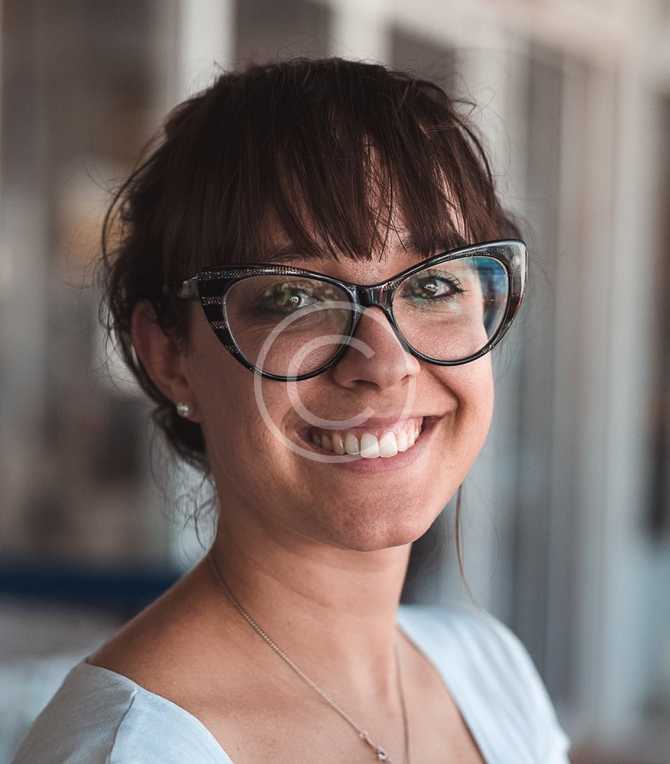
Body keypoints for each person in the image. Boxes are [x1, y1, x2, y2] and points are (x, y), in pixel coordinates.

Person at [12, 57, 571, 763]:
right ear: (168, 355)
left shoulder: (488, 674)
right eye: (293, 296)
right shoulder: (138, 749)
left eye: (432, 285)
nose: (385, 363)